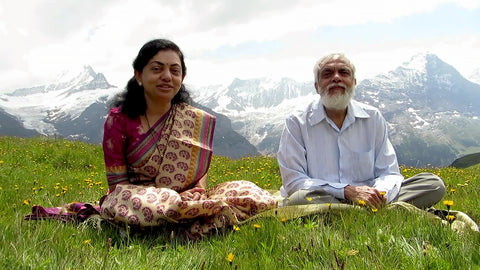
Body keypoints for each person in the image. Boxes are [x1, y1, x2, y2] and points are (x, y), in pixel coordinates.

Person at [98, 39, 277, 237]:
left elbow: (197, 167)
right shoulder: (120, 120)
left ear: (182, 77)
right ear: (139, 74)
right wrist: (170, 197)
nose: (167, 76)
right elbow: (117, 186)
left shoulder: (191, 118)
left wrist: (198, 190)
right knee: (127, 201)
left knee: (249, 192)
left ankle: (187, 214)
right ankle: (201, 215)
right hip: (139, 200)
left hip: (189, 199)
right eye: (157, 69)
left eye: (175, 71)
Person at [277, 53, 445, 210]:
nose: (336, 78)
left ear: (354, 82)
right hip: (324, 197)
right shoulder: (297, 122)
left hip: (370, 198)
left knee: (432, 184)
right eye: (327, 74)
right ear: (317, 86)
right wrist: (346, 191)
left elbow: (389, 172)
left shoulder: (372, 118)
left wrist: (378, 195)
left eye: (344, 72)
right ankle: (379, 213)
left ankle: (355, 212)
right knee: (299, 198)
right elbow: (294, 181)